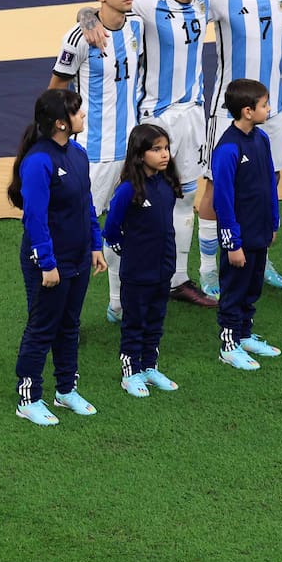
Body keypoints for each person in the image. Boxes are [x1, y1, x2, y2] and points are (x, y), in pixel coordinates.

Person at [81, 0, 221, 308]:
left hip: (193, 116)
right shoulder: (146, 4)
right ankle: (118, 299)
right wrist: (86, 17)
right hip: (155, 121)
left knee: (186, 199)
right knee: (139, 209)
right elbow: (103, 9)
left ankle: (178, 280)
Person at [203, 0, 282, 294]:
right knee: (216, 191)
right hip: (228, 114)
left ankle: (259, 256)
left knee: (269, 184)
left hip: (272, 110)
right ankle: (207, 269)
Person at [50, 0, 143, 325]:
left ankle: (118, 304)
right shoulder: (79, 38)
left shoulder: (137, 23)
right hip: (93, 153)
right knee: (76, 235)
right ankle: (59, 312)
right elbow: (54, 92)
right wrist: (57, 144)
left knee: (125, 229)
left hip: (132, 152)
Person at [7, 88, 107, 426]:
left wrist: (95, 245)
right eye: (77, 113)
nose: (83, 116)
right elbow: (34, 218)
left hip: (77, 257)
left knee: (70, 326)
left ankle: (65, 390)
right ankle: (29, 398)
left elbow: (85, 205)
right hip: (50, 262)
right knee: (42, 328)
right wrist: (47, 263)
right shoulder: (39, 161)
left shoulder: (77, 154)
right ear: (61, 123)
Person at [199, 79, 282, 371]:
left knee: (253, 286)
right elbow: (222, 200)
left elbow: (270, 184)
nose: (269, 108)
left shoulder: (261, 139)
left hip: (259, 231)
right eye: (264, 104)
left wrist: (273, 221)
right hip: (239, 237)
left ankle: (245, 335)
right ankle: (229, 344)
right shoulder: (227, 149)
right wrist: (232, 243)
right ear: (248, 111)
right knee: (234, 290)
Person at [103, 123, 181, 397]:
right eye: (156, 149)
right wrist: (129, 249)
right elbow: (111, 228)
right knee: (134, 322)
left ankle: (149, 366)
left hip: (163, 268)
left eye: (166, 148)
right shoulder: (128, 190)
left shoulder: (167, 184)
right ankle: (130, 372)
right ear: (139, 154)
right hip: (137, 272)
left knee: (156, 319)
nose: (164, 155)